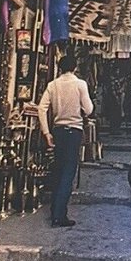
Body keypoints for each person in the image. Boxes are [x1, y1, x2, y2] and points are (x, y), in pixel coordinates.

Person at [38, 55, 94, 227]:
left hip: (58, 131)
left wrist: (46, 133)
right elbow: (89, 109)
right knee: (68, 172)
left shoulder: (52, 85)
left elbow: (41, 108)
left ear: (60, 68)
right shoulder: (80, 84)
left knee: (59, 170)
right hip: (74, 132)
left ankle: (56, 208)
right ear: (75, 68)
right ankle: (59, 215)